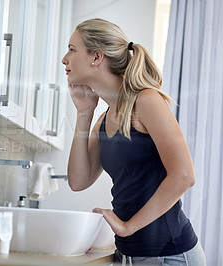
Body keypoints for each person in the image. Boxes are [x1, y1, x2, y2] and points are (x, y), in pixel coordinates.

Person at [62, 18, 207, 265]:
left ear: (96, 57)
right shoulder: (104, 119)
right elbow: (78, 181)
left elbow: (184, 176)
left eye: (72, 50)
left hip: (171, 256)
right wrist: (84, 113)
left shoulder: (147, 101)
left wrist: (128, 227)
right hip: (132, 255)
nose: (65, 59)